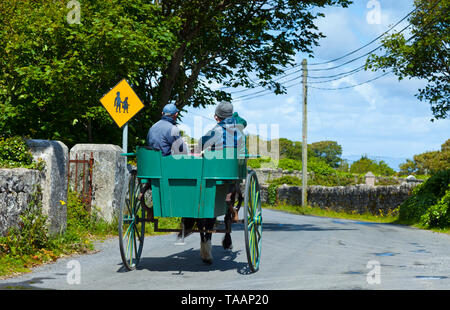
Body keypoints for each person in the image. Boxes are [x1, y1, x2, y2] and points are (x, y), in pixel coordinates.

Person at [190, 101, 245, 264]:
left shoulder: (215, 130)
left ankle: (205, 243)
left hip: (214, 175)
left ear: (217, 117)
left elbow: (201, 144)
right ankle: (228, 226)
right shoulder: (241, 132)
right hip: (231, 177)